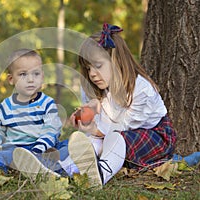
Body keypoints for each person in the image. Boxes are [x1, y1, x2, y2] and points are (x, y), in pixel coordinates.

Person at [67, 23, 199, 188]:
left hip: (154, 137)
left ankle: (101, 173)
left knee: (113, 137)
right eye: (88, 69)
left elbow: (122, 127)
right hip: (115, 136)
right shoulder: (94, 86)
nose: (92, 74)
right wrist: (86, 116)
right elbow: (100, 125)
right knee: (91, 141)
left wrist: (94, 129)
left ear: (116, 61)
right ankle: (68, 171)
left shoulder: (140, 89)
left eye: (98, 66)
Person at [0, 48, 69, 178]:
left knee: (68, 146)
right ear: (11, 79)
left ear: (42, 77)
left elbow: (52, 129)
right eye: (23, 74)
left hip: (42, 150)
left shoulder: (47, 103)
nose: (30, 79)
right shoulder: (6, 106)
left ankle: (44, 167)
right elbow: (0, 132)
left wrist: (38, 149)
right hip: (15, 152)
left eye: (36, 74)